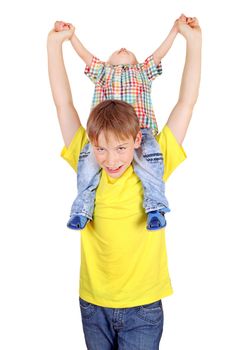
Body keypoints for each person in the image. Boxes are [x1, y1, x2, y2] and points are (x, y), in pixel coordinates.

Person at [47, 14, 201, 350]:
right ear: (91, 142)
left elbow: (186, 103)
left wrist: (193, 42)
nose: (111, 159)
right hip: (93, 304)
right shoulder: (86, 162)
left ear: (136, 141)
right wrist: (54, 45)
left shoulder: (153, 161)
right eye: (101, 148)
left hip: (143, 306)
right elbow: (63, 104)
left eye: (120, 148)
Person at [54, 19, 180, 231]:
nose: (123, 50)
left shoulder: (142, 72)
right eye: (117, 53)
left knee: (151, 167)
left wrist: (176, 30)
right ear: (107, 62)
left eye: (129, 54)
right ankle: (81, 209)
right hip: (104, 135)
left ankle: (155, 208)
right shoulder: (103, 73)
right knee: (87, 165)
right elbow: (85, 56)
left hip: (140, 133)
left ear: (138, 62)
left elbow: (160, 53)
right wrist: (71, 36)